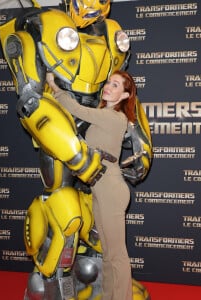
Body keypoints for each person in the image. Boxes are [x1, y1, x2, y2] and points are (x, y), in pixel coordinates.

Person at [46, 70, 136, 300]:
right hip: (100, 189)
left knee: (117, 255)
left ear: (125, 95)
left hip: (111, 191)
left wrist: (54, 87)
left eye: (116, 85)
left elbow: (77, 110)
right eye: (108, 82)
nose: (108, 87)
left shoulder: (115, 118)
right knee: (107, 253)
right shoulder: (103, 114)